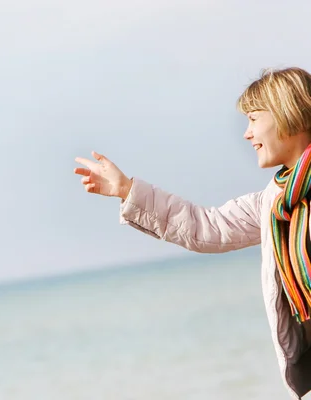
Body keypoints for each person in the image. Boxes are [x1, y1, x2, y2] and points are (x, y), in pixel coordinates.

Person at [74, 66, 311, 399]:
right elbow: (207, 228)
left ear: (288, 112)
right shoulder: (273, 202)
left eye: (254, 119)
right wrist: (127, 190)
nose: (246, 133)